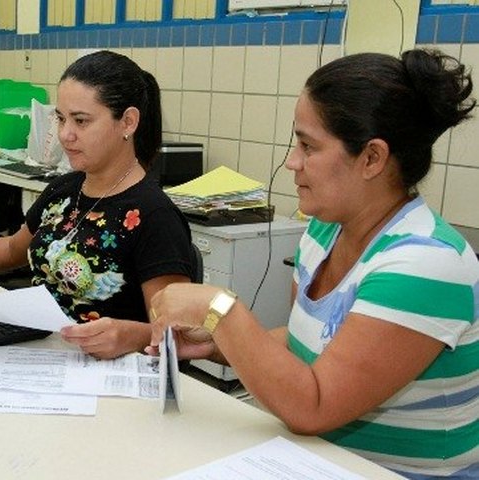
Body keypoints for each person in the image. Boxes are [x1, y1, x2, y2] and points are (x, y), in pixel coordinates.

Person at [148, 48, 479, 479]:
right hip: (316, 460)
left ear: (372, 158)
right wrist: (220, 345)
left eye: (309, 146)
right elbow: (311, 344)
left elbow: (314, 405)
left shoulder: (425, 263)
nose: (292, 162)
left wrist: (219, 311)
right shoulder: (325, 230)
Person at [0, 50, 194, 359]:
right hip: (40, 355)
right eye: (61, 119)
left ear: (127, 122)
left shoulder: (155, 216)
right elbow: (11, 250)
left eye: (81, 121)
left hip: (107, 376)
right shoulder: (64, 189)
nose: (65, 135)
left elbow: (175, 334)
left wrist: (130, 335)